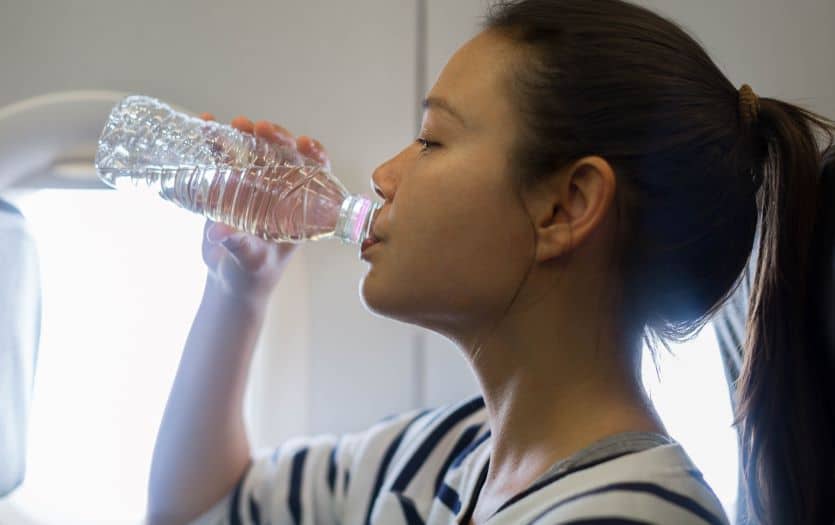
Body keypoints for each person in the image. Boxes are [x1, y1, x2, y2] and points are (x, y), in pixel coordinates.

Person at [147, 0, 835, 524]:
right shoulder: (441, 452)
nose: (384, 174)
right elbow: (202, 507)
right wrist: (240, 291)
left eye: (431, 140)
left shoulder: (632, 513)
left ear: (564, 207)